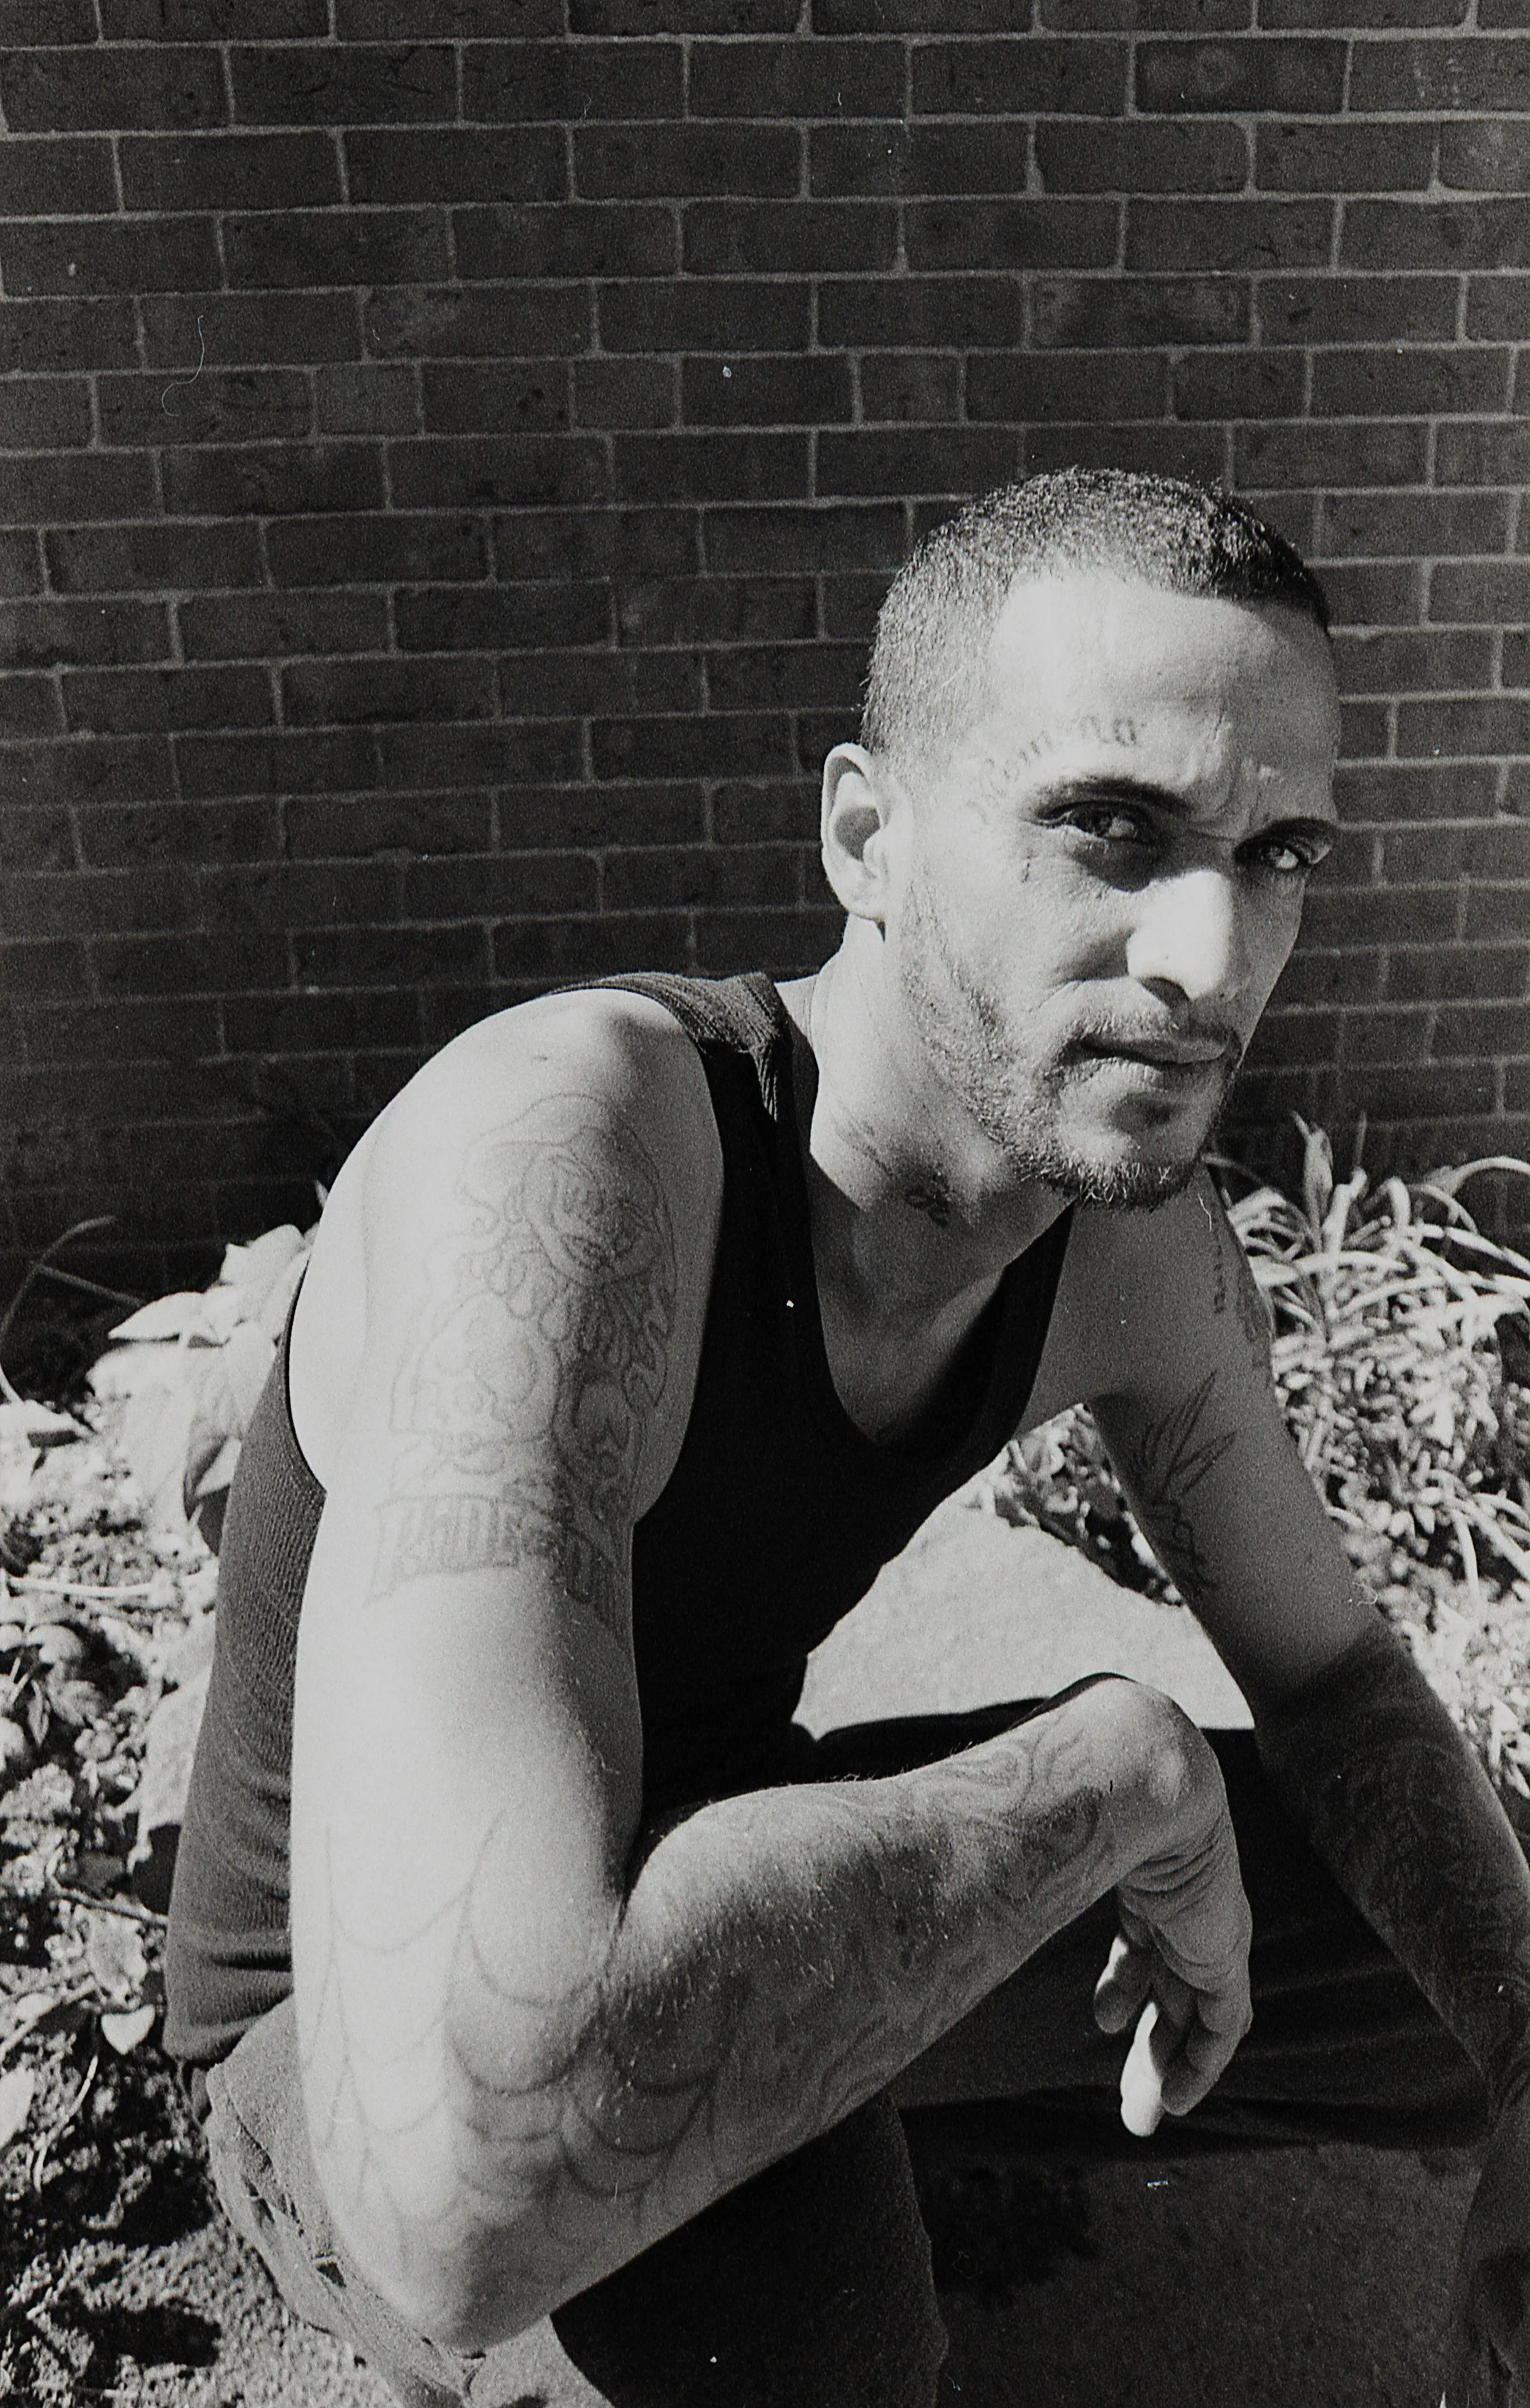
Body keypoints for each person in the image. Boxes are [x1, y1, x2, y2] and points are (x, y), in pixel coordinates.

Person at [165, 469, 1530, 2407]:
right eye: (1109, 829)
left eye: (1281, 854)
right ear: (864, 835)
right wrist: (1106, 1779)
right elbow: (462, 2190)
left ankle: (845, 2089)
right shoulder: (566, 1155)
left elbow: (1337, 1686)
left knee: (1468, 1945)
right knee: (801, 2355)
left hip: (727, 1867)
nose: (1211, 958)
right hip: (364, 2043)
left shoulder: (1122, 1239)